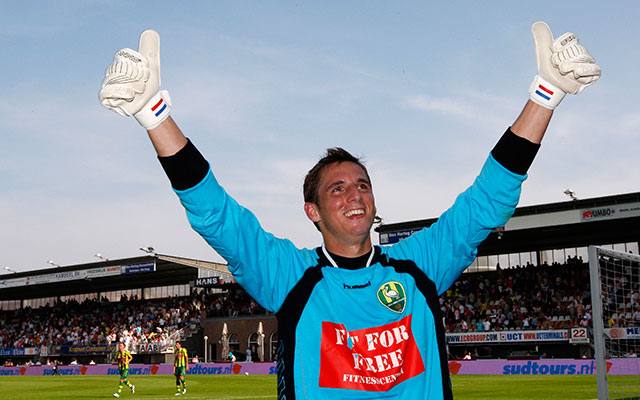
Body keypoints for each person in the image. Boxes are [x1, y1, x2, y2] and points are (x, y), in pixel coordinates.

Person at [99, 22, 600, 400]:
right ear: (312, 211)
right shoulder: (290, 276)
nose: (355, 194)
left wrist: (546, 95)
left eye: (362, 185)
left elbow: (487, 201)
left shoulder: (418, 266)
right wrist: (154, 114)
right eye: (337, 189)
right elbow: (217, 216)